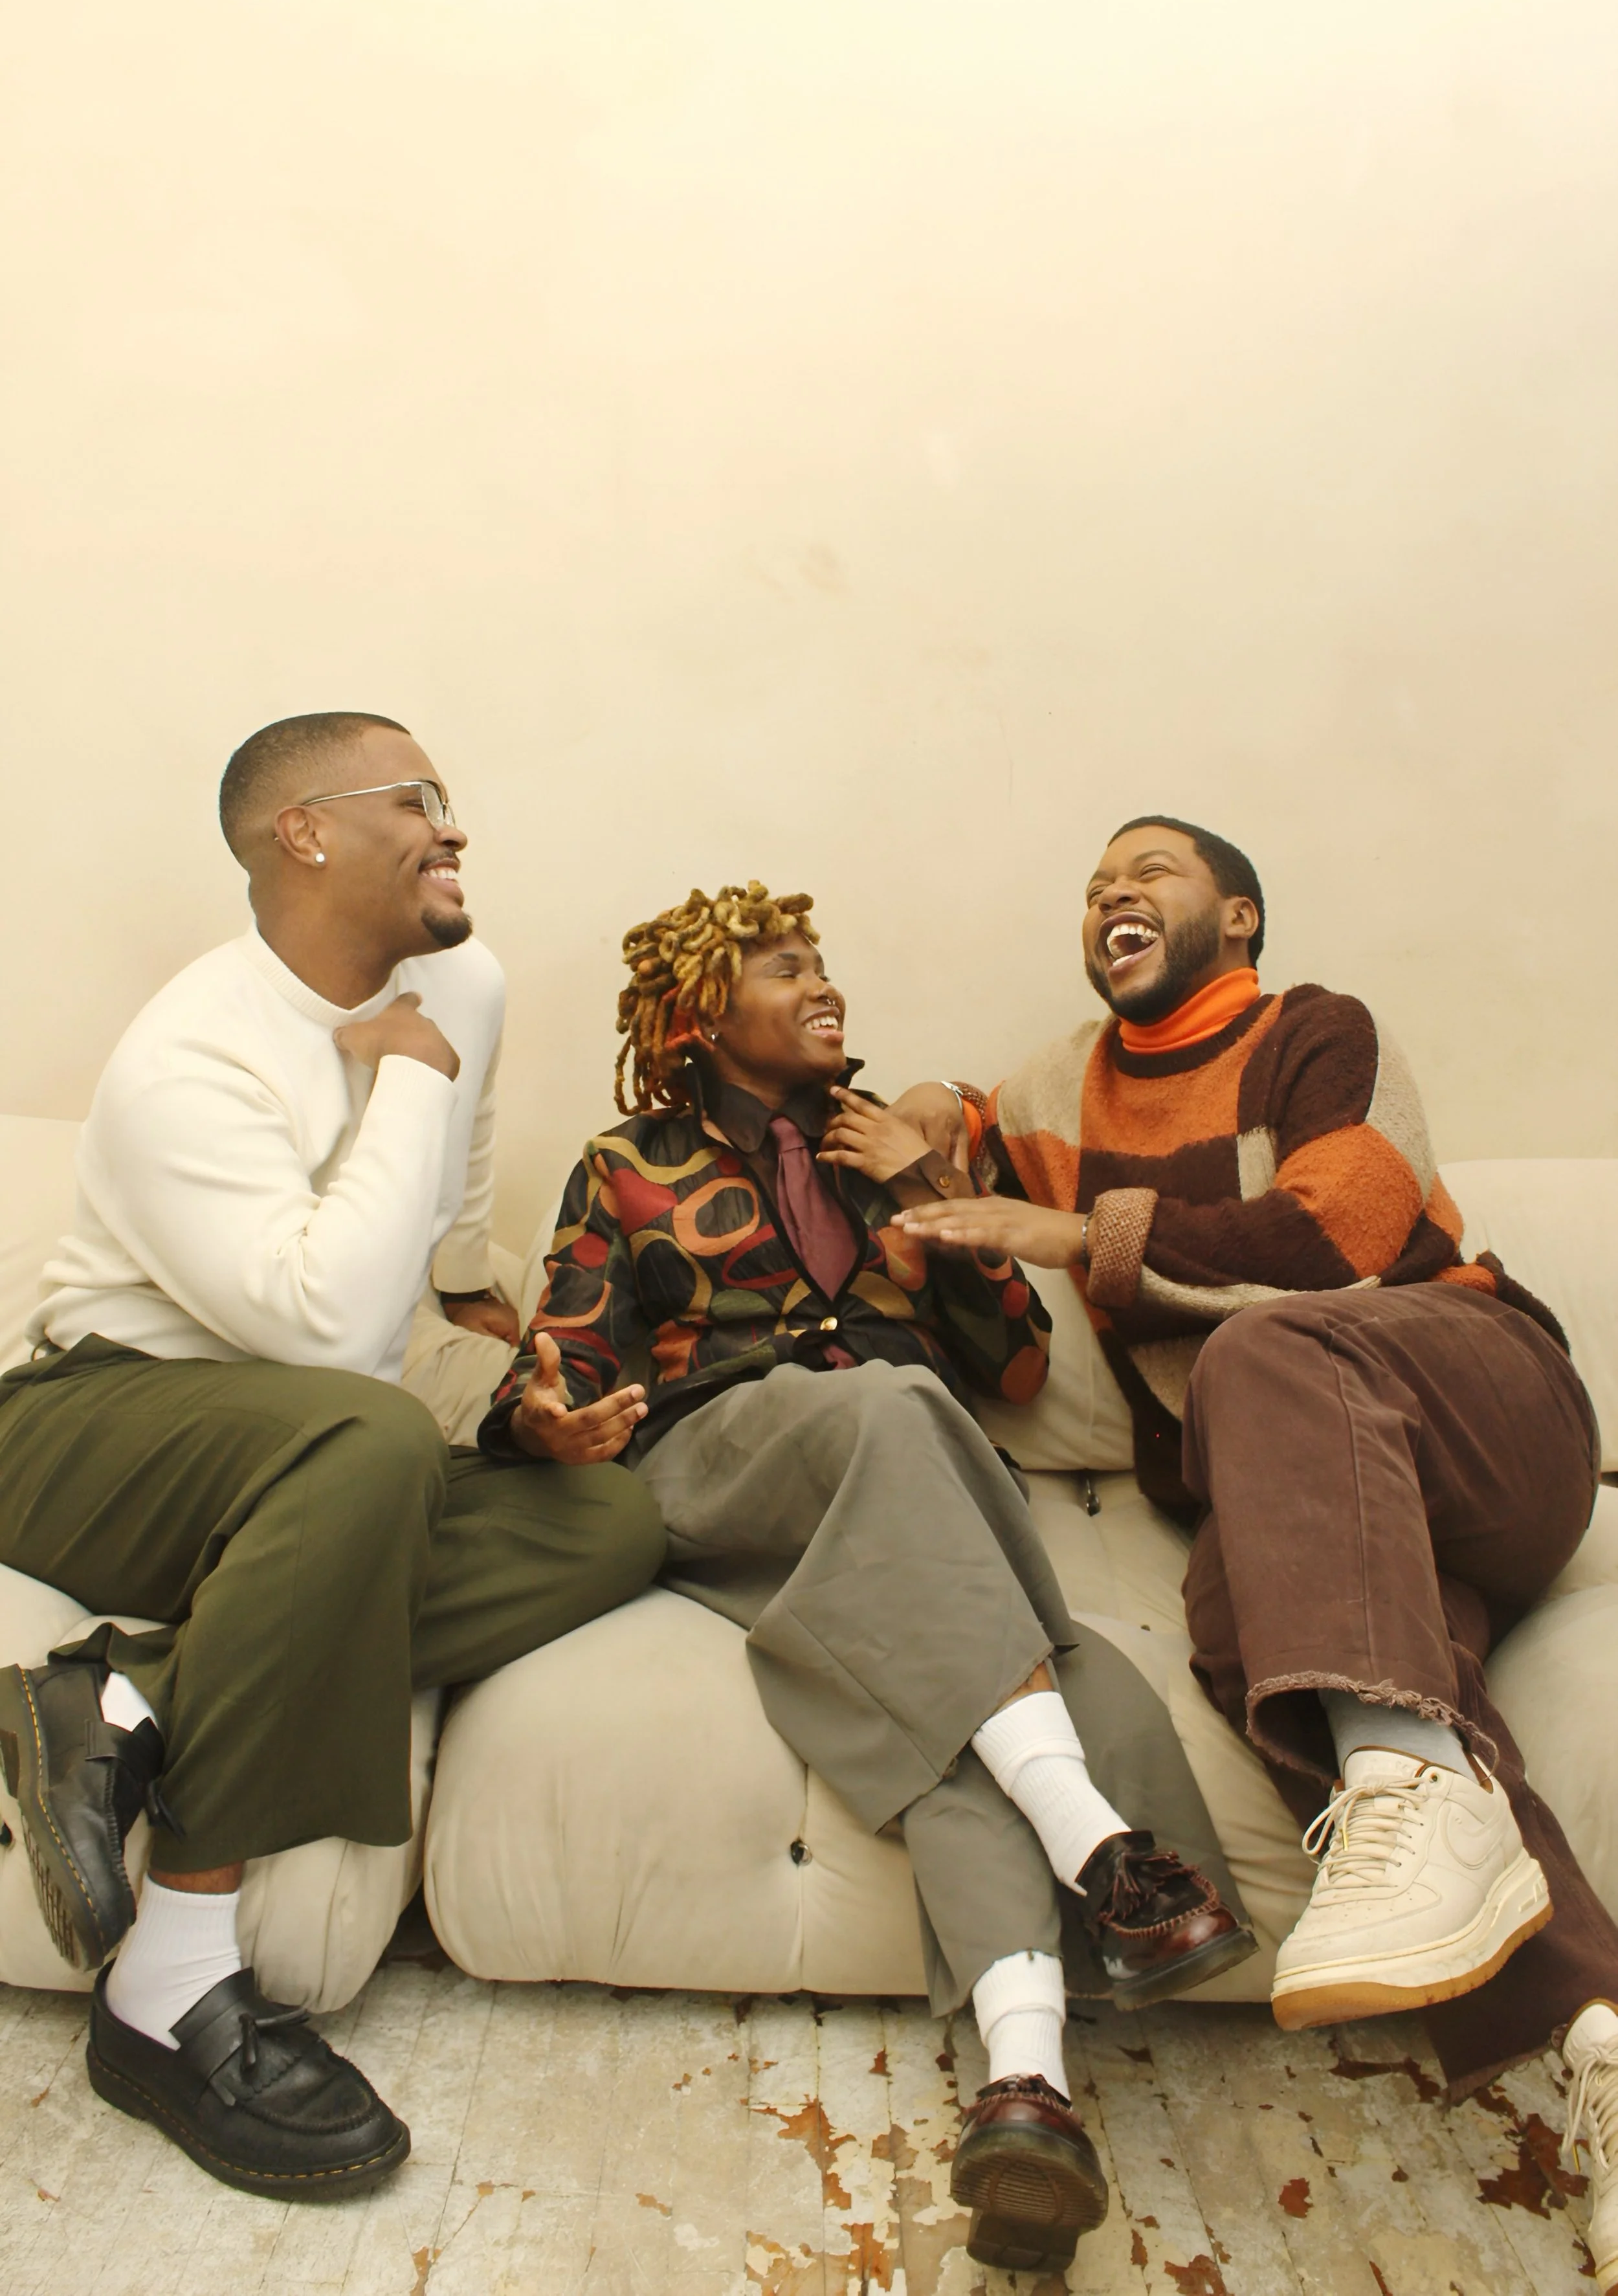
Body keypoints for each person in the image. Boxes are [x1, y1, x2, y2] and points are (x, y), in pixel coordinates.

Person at [880, 814, 1618, 2293]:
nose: (1111, 895)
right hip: (1306, 1506)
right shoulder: (1048, 1088)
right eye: (1093, 885)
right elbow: (959, 1118)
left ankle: (1404, 1783)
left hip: (1474, 1408)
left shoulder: (1311, 1030)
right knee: (1243, 1628)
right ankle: (1586, 2027)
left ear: (1239, 915)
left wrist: (1073, 1228)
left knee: (1267, 1348)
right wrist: (924, 1119)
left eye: (1148, 873)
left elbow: (1338, 1233)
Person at [482, 881, 1256, 2275]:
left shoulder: (888, 1146)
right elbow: (566, 1359)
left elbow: (1014, 1364)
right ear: (699, 1014)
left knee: (997, 1699)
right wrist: (541, 1421)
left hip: (905, 1502)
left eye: (822, 961)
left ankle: (1027, 2096)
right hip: (722, 1474)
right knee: (895, 1412)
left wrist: (920, 1186)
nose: (822, 983)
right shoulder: (628, 1159)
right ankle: (1097, 1843)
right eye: (785, 968)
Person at [0, 713, 664, 2203]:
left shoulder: (466, 981)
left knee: (607, 1520)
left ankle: (118, 1699)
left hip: (321, 1462)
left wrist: (487, 1311)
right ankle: (167, 1989)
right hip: (98, 1428)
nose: (454, 826)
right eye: (416, 799)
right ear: (303, 833)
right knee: (364, 1434)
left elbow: (456, 1185)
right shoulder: (188, 1055)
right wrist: (403, 1076)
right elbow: (313, 1339)